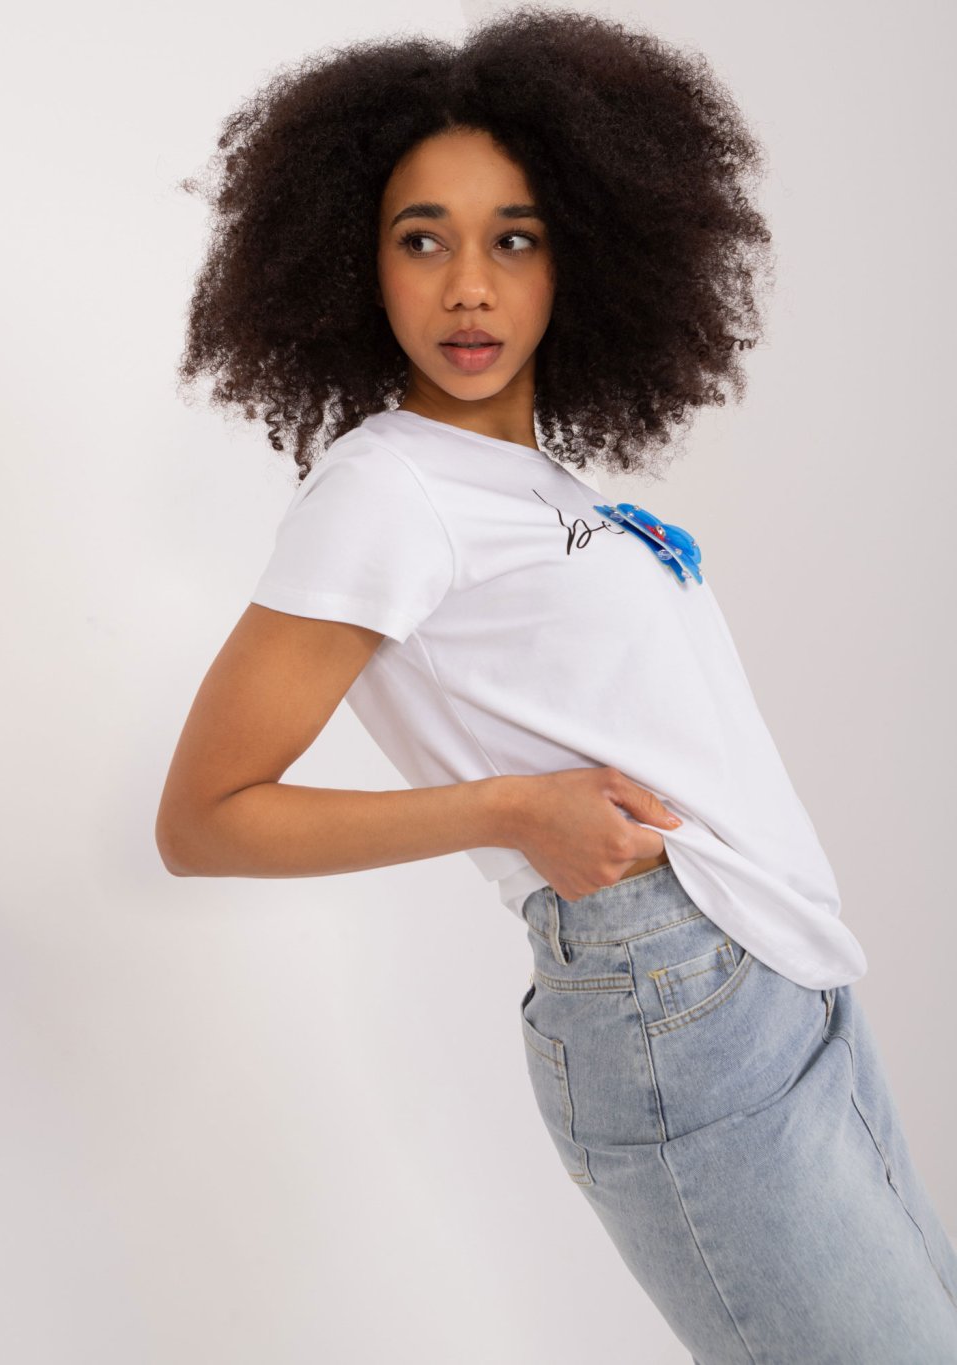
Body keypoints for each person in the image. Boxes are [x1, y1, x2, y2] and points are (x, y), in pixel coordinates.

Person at [155, 9, 957, 1359]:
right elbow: (203, 817)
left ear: (581, 249)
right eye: (423, 241)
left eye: (514, 239)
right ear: (356, 261)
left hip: (781, 976)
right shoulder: (385, 490)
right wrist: (514, 809)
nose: (469, 288)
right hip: (667, 1001)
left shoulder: (530, 481)